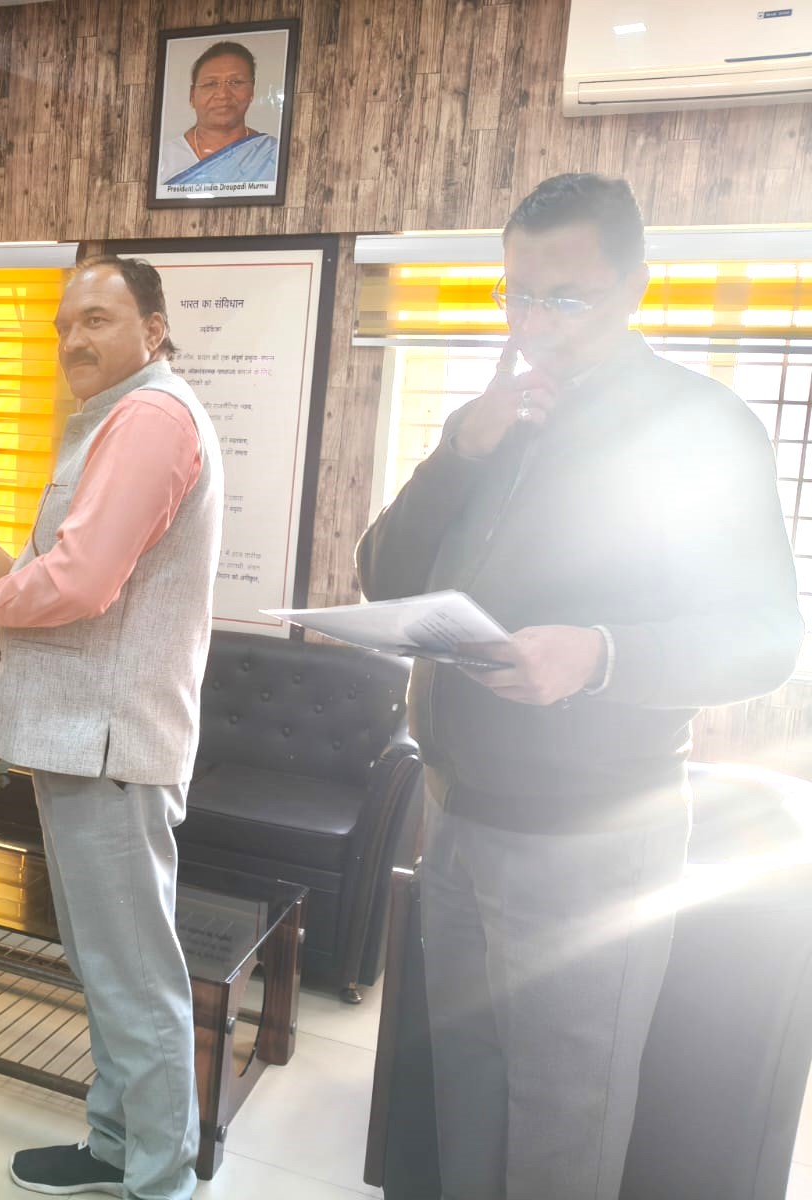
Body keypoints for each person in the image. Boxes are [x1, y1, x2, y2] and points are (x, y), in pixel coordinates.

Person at [357, 173, 803, 1200]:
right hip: (456, 814)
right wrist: (459, 451)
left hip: (591, 839)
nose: (534, 324)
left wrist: (598, 655)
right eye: (515, 294)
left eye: (566, 298)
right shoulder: (498, 422)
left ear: (634, 288)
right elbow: (383, 574)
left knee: (565, 1116)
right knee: (466, 1086)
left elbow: (764, 639)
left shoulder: (698, 425)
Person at [0, 255, 223, 1200]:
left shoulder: (150, 418)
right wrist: (4, 569)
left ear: (153, 329)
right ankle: (115, 1148)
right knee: (106, 968)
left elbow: (84, 584)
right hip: (85, 735)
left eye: (98, 319)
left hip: (109, 740)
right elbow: (94, 573)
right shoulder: (119, 416)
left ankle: (161, 1182)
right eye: (64, 325)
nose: (74, 340)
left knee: (133, 976)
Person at [156, 40, 279, 192]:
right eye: (210, 84)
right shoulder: (163, 159)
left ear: (252, 91)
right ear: (192, 96)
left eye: (235, 82)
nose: (223, 94)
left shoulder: (272, 154)